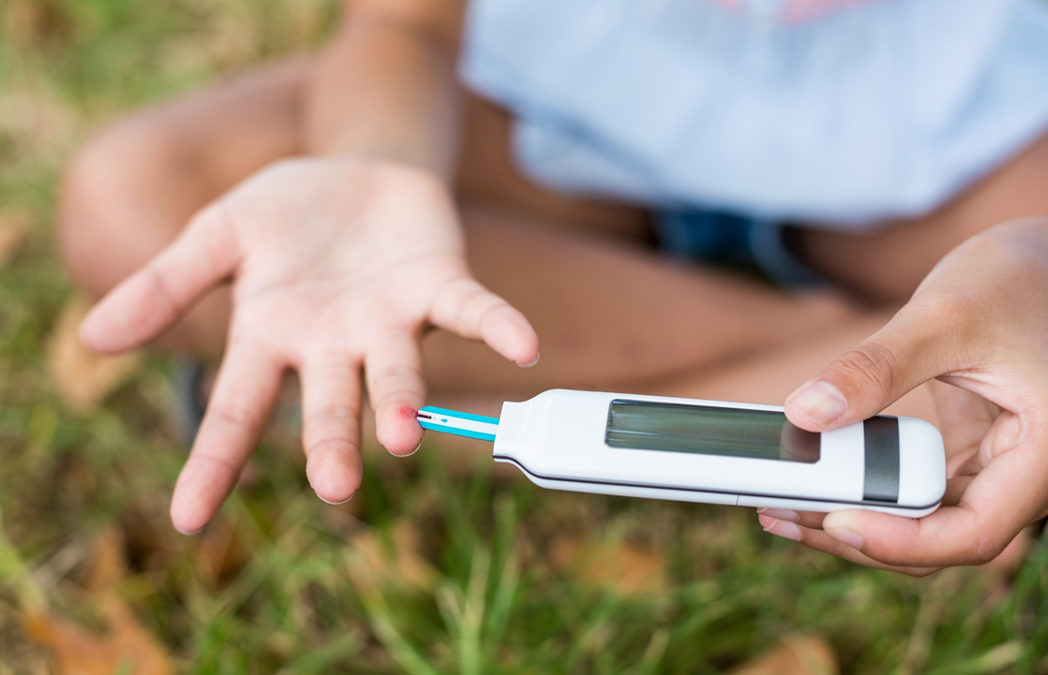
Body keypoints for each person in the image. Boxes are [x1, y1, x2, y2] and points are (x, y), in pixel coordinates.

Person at [58, 0, 1048, 572]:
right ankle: (831, 347)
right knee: (134, 200)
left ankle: (424, 433)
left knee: (1015, 346)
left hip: (963, 137)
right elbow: (405, 22)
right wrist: (373, 168)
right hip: (559, 115)